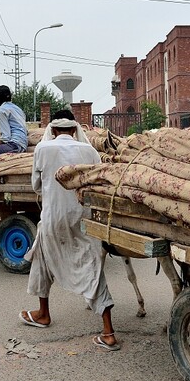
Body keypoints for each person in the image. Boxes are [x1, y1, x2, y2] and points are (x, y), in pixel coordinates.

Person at [18, 117, 120, 351]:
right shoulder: (89, 150)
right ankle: (108, 331)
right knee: (91, 267)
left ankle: (44, 313)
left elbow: (36, 185)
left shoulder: (42, 149)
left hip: (53, 217)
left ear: (52, 130)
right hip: (84, 217)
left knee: (42, 261)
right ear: (75, 129)